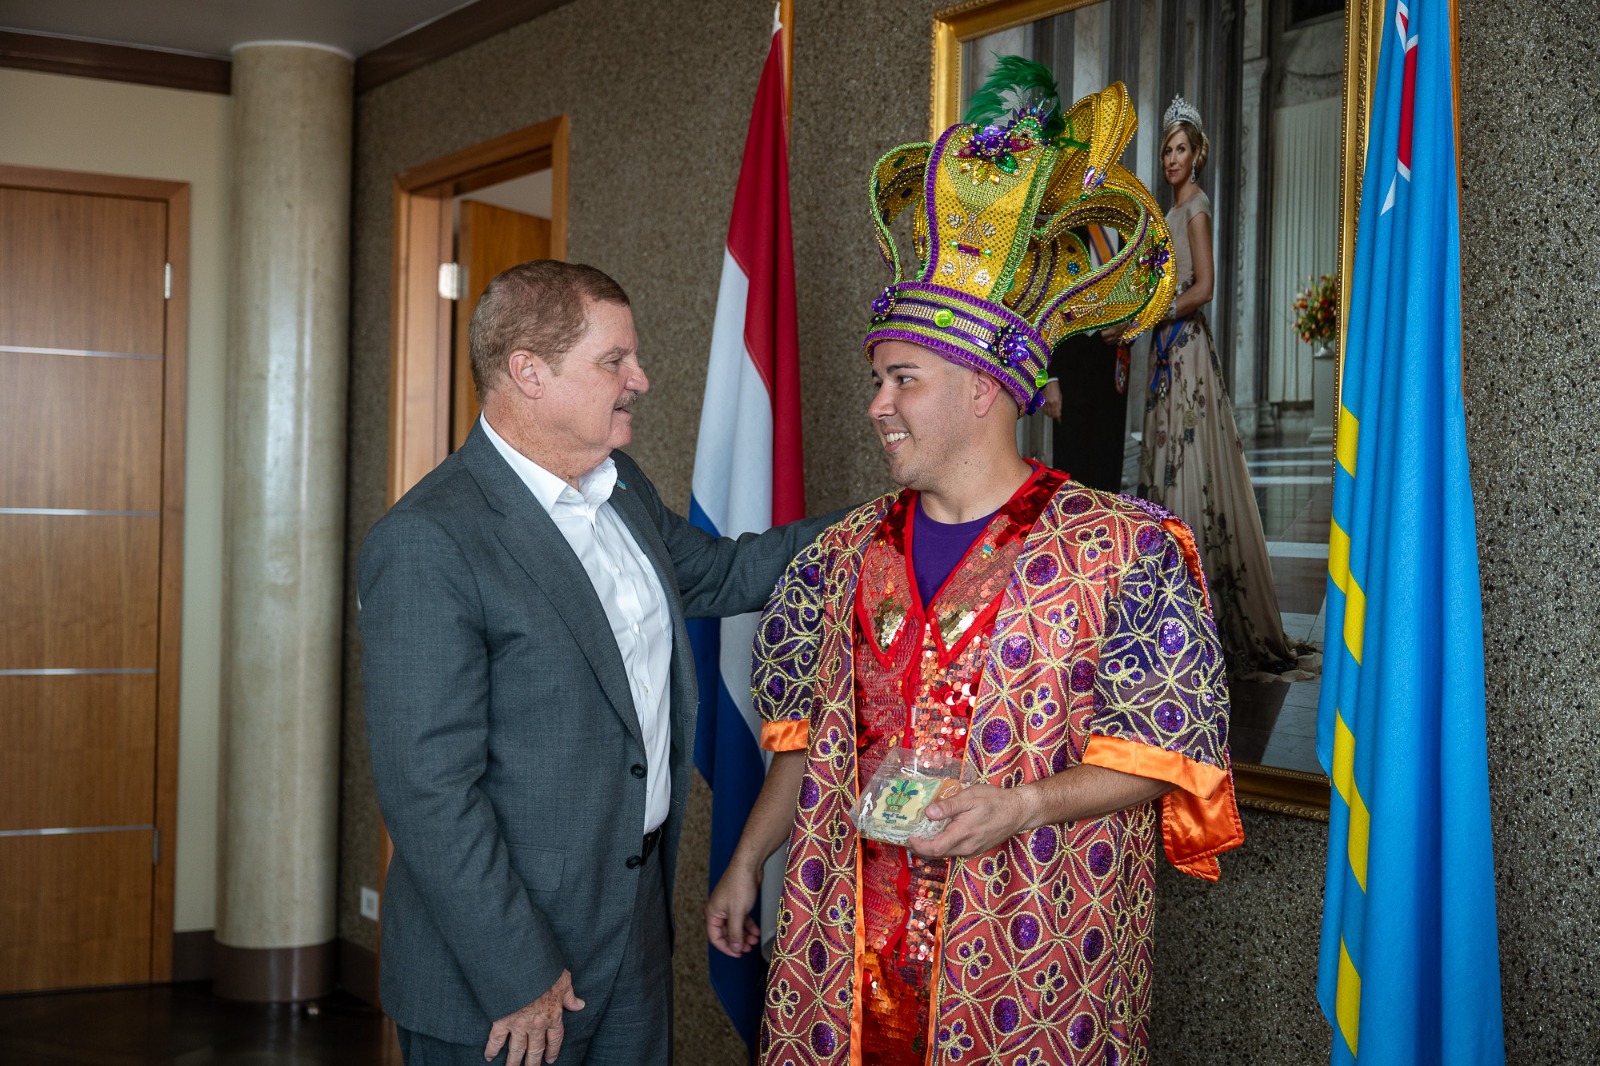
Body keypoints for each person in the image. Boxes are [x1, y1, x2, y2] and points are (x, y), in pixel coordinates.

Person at [706, 74, 1243, 1066]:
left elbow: (1163, 752)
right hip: (841, 963)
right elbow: (806, 739)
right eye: (877, 379)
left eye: (901, 379)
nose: (877, 404)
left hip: (1027, 966)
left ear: (984, 389)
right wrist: (746, 861)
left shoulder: (1123, 552)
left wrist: (1022, 804)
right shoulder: (836, 557)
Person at [359, 260, 834, 1066]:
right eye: (615, 360)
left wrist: (904, 511)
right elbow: (428, 794)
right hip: (500, 968)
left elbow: (723, 573)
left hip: (633, 924)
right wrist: (519, 973)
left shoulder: (619, 487)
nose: (639, 379)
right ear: (529, 374)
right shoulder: (428, 541)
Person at [1136, 96, 1301, 676]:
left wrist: (1156, 312)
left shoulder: (1196, 208)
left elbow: (1204, 287)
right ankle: (1169, 602)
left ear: (1197, 155)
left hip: (1186, 350)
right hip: (1167, 349)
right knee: (1169, 463)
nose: (1171, 158)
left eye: (1180, 149)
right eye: (1166, 149)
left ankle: (1198, 609)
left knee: (1191, 465)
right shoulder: (1170, 210)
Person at [1038, 225, 1130, 492]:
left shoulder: (1128, 230)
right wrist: (1049, 377)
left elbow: (1144, 294)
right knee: (1071, 474)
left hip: (1113, 368)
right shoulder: (1067, 228)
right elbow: (1046, 303)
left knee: (1108, 471)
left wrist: (1129, 327)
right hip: (1069, 370)